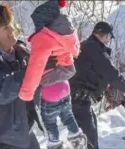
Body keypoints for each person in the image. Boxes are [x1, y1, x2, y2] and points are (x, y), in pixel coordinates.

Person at [0, 4, 52, 149]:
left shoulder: (21, 50)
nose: (12, 30)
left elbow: (37, 81)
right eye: (6, 27)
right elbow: (0, 91)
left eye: (10, 25)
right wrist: (34, 69)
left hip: (25, 131)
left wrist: (53, 64)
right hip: (2, 138)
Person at [69, 21, 125, 149]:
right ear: (106, 35)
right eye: (110, 37)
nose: (109, 40)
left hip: (79, 100)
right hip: (80, 101)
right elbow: (114, 76)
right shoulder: (96, 50)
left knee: (89, 135)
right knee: (90, 141)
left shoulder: (85, 46)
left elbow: (91, 73)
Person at [18, 1, 87, 149]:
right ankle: (77, 137)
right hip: (65, 85)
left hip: (51, 90)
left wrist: (26, 93)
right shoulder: (65, 33)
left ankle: (55, 144)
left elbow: (35, 68)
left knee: (50, 121)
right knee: (68, 115)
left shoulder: (43, 37)